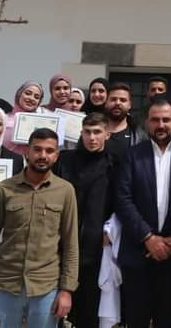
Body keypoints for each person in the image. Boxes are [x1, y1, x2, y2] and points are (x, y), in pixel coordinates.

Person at [115, 98, 171, 328]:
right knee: (135, 321)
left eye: (166, 119)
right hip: (137, 254)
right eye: (155, 120)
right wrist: (148, 237)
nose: (161, 125)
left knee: (166, 321)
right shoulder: (132, 155)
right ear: (146, 123)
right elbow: (122, 200)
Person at [0, 128, 78, 328]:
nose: (43, 155)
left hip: (46, 286)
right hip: (6, 284)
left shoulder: (65, 191)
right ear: (27, 152)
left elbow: (71, 244)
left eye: (49, 150)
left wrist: (66, 290)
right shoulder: (4, 189)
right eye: (37, 149)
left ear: (56, 156)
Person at [53, 112, 114, 327]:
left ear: (107, 134)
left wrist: (111, 230)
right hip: (62, 246)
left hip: (97, 250)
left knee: (90, 312)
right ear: (81, 133)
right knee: (57, 312)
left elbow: (120, 204)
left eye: (97, 132)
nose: (92, 137)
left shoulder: (114, 165)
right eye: (87, 132)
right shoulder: (64, 161)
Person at [103, 82, 147, 163]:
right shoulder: (92, 131)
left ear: (129, 105)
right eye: (113, 99)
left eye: (123, 100)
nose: (117, 103)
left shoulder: (140, 136)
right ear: (106, 103)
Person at [3, 80, 44, 156]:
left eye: (36, 97)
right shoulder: (3, 119)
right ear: (19, 95)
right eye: (28, 93)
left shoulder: (41, 125)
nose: (31, 98)